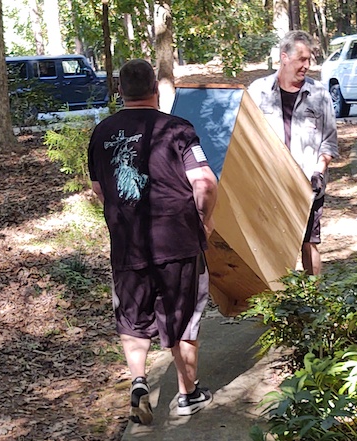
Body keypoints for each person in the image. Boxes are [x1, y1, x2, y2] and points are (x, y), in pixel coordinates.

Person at [88, 59, 218, 424]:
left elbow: (99, 188)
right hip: (177, 241)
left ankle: (140, 383)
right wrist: (204, 220)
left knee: (133, 319)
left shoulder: (101, 133)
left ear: (120, 91)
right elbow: (205, 183)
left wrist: (122, 215)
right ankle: (188, 394)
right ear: (156, 90)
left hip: (127, 247)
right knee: (184, 318)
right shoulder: (177, 129)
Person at [248, 30, 339, 275]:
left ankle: (316, 302)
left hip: (308, 184)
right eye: (301, 59)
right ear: (284, 57)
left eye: (309, 59)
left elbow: (329, 142)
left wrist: (319, 171)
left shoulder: (320, 95)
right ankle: (278, 304)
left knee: (309, 242)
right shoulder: (258, 92)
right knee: (272, 245)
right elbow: (246, 137)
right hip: (269, 184)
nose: (307, 66)